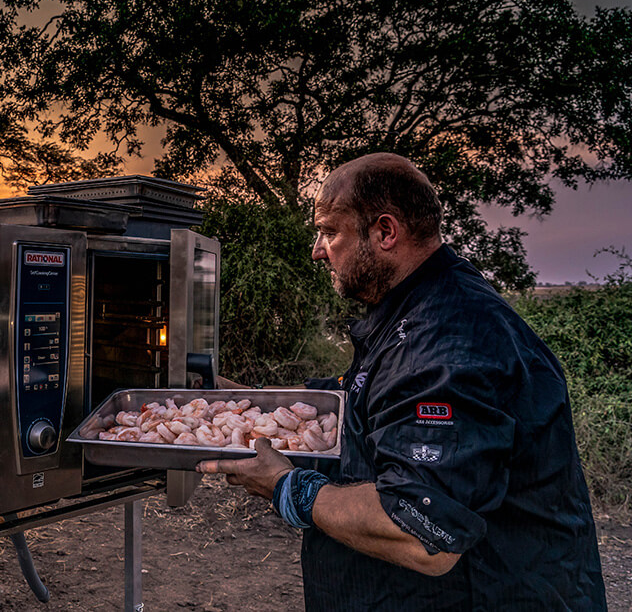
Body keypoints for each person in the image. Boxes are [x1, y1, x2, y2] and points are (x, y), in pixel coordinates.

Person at [197, 153, 606, 610]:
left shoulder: (448, 340)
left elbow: (421, 532)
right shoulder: (416, 309)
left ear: (385, 232)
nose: (317, 250)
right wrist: (227, 401)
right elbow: (366, 412)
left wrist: (287, 488)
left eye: (330, 232)